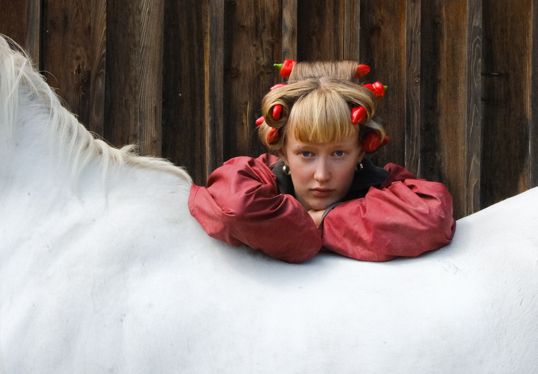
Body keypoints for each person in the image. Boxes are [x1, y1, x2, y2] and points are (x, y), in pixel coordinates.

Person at [188, 60, 456, 263]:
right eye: (306, 154)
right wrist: (301, 226)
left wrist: (325, 220)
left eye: (339, 154)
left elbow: (432, 217)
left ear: (361, 151)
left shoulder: (389, 186)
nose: (322, 175)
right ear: (281, 151)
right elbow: (233, 208)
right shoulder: (254, 178)